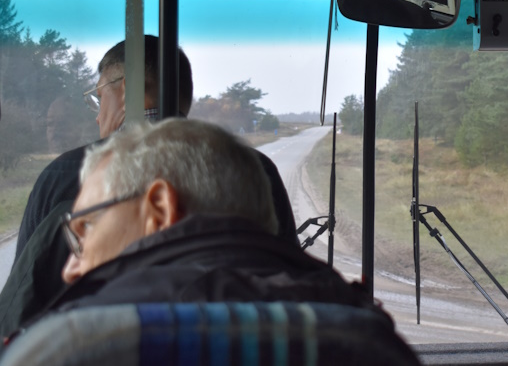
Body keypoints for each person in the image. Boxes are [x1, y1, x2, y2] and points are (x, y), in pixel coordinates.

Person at [5, 120, 417, 365]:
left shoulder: (71, 348)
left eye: (86, 230)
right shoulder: (371, 346)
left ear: (160, 209)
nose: (70, 268)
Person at [0, 35, 297, 337]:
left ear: (129, 90)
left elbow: (20, 307)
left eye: (99, 98)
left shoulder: (64, 175)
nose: (98, 115)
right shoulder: (258, 171)